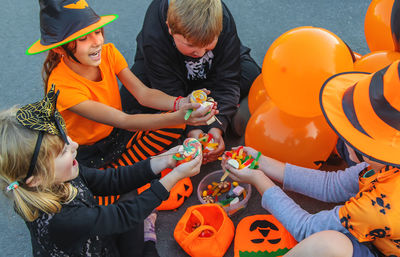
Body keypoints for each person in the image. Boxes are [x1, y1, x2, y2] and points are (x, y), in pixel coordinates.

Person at [222, 61, 400, 256]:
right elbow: (332, 185)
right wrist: (261, 161)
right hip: (382, 231)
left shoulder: (381, 207)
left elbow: (307, 229)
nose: (342, 139)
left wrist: (258, 179)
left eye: (352, 135)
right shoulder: (384, 164)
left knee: (328, 245)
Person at [0, 87, 202, 257]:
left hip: (99, 236)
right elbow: (123, 215)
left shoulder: (60, 174)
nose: (75, 145)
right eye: (63, 150)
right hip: (96, 247)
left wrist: (164, 160)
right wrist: (175, 176)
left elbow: (112, 180)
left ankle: (143, 240)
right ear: (36, 179)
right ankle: (147, 241)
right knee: (133, 220)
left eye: (67, 139)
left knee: (130, 195)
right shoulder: (60, 220)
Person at [26, 0, 215, 174]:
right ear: (60, 48)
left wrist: (181, 103)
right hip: (89, 152)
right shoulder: (61, 86)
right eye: (83, 38)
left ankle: (120, 172)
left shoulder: (109, 54)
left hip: (118, 135)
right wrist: (179, 115)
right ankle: (117, 176)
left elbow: (143, 94)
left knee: (175, 124)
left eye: (97, 31)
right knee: (99, 200)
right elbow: (124, 120)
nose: (97, 41)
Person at [121, 0, 261, 164]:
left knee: (252, 74)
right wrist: (193, 130)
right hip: (166, 76)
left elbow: (227, 78)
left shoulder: (221, 18)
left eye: (208, 47)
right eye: (191, 45)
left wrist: (217, 126)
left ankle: (218, 108)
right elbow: (167, 89)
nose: (201, 53)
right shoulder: (155, 35)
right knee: (129, 99)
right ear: (170, 28)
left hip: (211, 73)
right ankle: (218, 105)